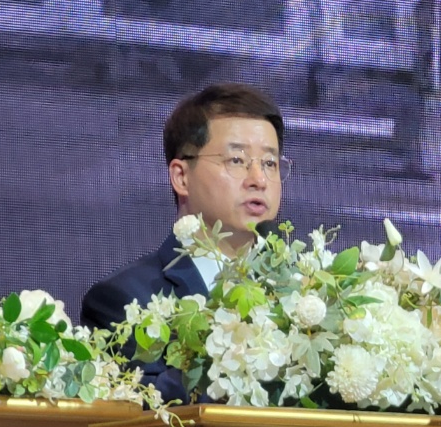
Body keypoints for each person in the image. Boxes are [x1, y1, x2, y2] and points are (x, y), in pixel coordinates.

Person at [80, 83, 287, 402]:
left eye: (270, 163)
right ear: (181, 177)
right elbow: (150, 410)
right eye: (237, 160)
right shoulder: (123, 301)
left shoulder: (304, 294)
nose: (259, 179)